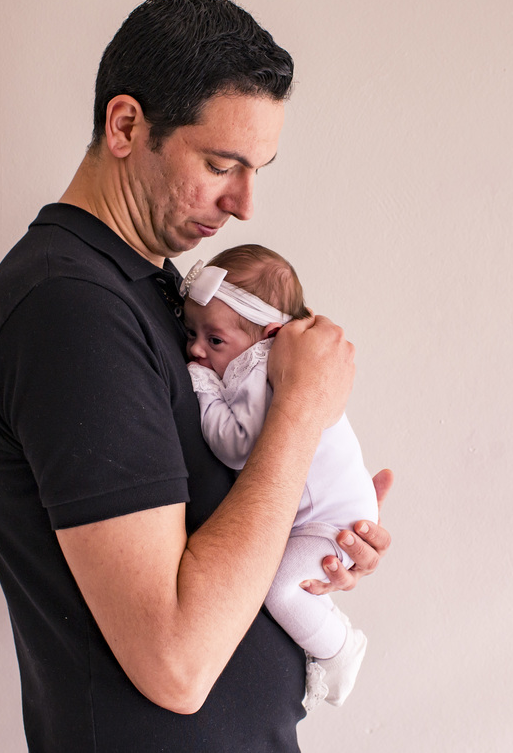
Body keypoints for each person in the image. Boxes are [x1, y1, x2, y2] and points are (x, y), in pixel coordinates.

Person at [0, 0, 391, 751]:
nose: (245, 202)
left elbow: (208, 534)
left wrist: (311, 525)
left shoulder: (154, 294)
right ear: (126, 126)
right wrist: (297, 413)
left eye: (257, 169)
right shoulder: (70, 310)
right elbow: (176, 661)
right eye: (222, 164)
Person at [181, 244, 378, 711]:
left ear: (266, 334)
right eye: (192, 334)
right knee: (291, 582)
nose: (195, 349)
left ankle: (338, 649)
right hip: (334, 513)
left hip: (331, 521)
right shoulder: (260, 363)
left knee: (281, 587)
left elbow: (236, 446)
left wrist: (203, 387)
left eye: (214, 341)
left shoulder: (258, 371)